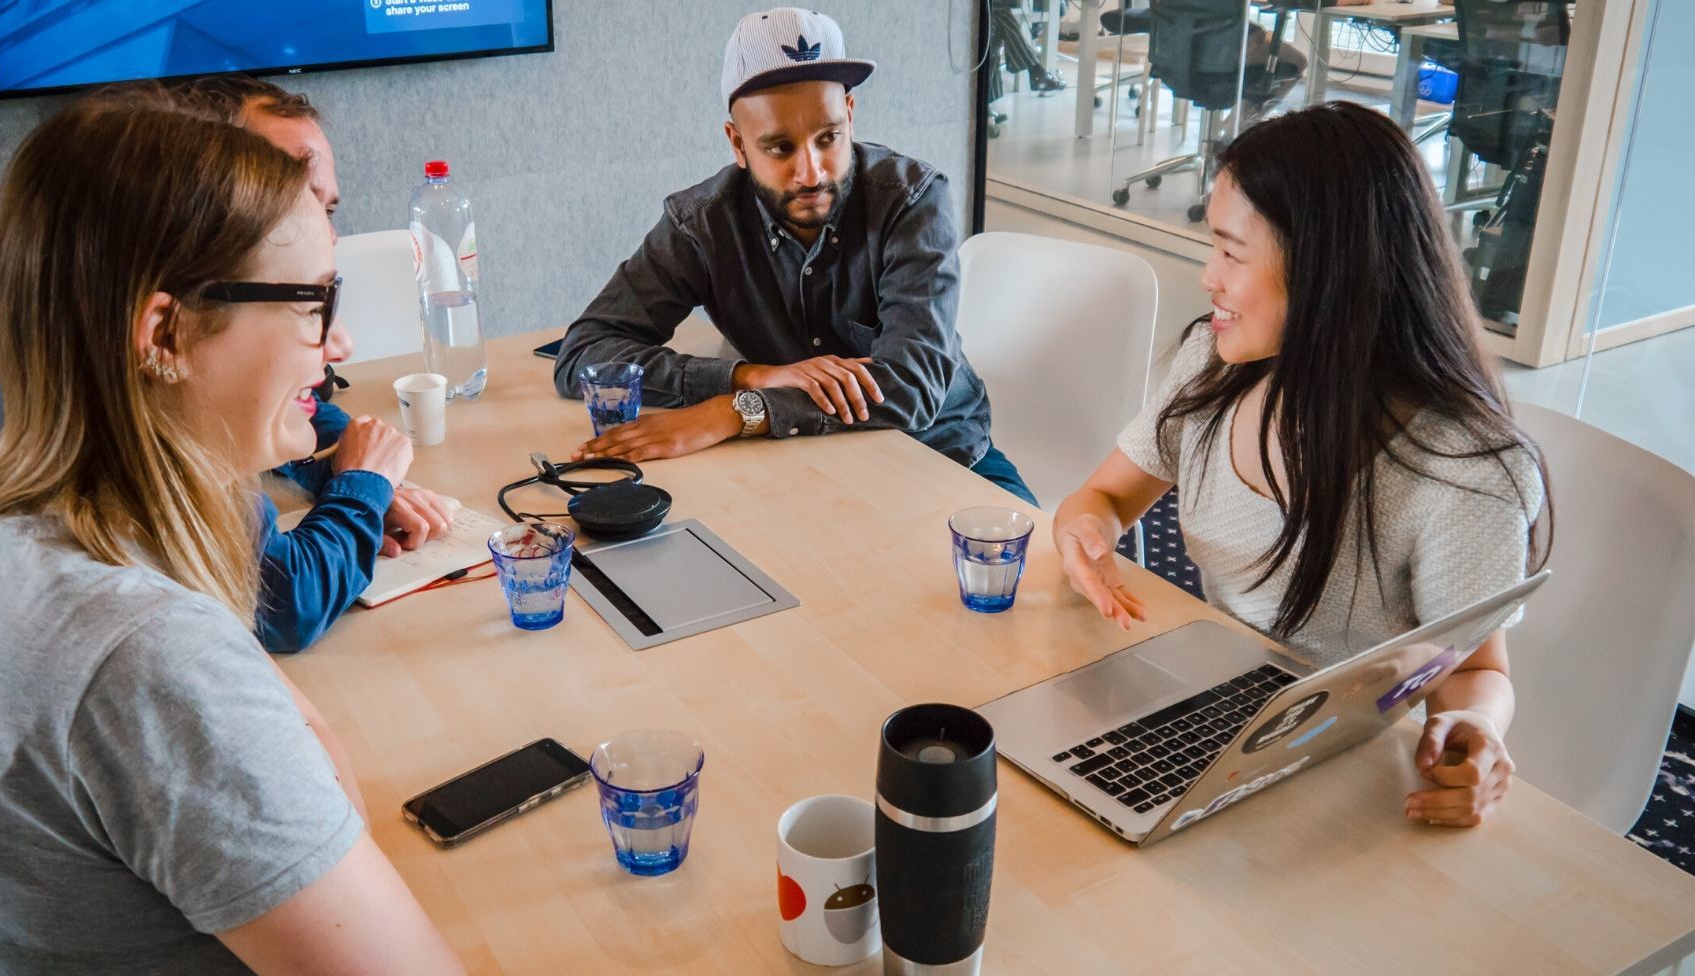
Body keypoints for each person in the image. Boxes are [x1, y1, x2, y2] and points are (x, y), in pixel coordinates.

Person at [0, 102, 463, 973]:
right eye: (314, 302)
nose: (336, 343)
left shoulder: (7, 527)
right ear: (165, 334)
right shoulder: (146, 656)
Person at [1053, 103, 1550, 829]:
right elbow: (1102, 496)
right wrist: (1085, 537)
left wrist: (1477, 731)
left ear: (1324, 269)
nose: (1207, 276)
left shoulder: (1460, 469)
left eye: (1231, 252)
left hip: (1341, 768)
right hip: (1211, 713)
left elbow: (1473, 669)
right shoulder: (1212, 368)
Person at [0, 76, 452, 652]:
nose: (337, 345)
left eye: (322, 203)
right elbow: (282, 602)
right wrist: (360, 488)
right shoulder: (138, 616)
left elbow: (304, 409)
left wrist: (339, 465)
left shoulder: (64, 391)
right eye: (277, 186)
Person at [553, 7, 1035, 505]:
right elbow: (585, 352)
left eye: (828, 138)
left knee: (1049, 576)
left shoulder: (912, 200)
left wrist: (737, 409)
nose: (811, 172)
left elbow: (911, 387)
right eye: (780, 148)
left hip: (940, 452)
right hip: (796, 467)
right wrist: (746, 376)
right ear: (738, 144)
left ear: (850, 113)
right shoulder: (702, 223)